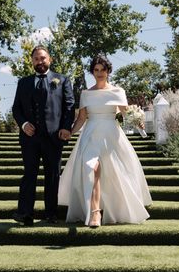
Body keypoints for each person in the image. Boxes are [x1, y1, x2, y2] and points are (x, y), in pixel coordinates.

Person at [58, 55, 152, 227]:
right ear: (92, 72)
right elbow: (81, 118)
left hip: (111, 135)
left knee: (111, 173)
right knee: (91, 167)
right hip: (90, 134)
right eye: (96, 70)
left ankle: (109, 210)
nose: (99, 73)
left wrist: (137, 121)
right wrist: (70, 132)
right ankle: (94, 212)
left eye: (103, 69)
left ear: (108, 71)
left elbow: (126, 114)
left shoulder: (118, 92)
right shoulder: (86, 94)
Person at [11, 45, 75, 225]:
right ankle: (25, 213)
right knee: (29, 174)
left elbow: (69, 106)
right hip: (30, 138)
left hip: (54, 137)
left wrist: (65, 128)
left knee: (53, 175)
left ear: (50, 59)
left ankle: (51, 214)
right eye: (36, 59)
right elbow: (16, 109)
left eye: (43, 58)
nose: (40, 62)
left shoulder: (62, 80)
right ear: (32, 62)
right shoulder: (23, 82)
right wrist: (23, 124)